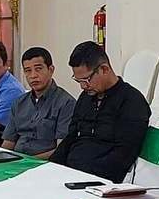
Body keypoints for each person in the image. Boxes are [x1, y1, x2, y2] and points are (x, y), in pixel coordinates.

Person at [49, 42, 150, 183]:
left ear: (104, 69)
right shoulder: (86, 97)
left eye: (87, 80)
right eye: (78, 81)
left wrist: (83, 177)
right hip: (70, 175)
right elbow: (71, 137)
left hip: (99, 181)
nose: (83, 86)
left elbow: (124, 155)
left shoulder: (132, 101)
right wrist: (51, 168)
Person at [1, 46, 76, 159]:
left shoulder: (66, 103)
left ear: (51, 70)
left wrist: (28, 161)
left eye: (38, 69)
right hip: (15, 161)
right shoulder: (19, 103)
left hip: (44, 164)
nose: (33, 76)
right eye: (27, 71)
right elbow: (8, 143)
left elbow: (61, 150)